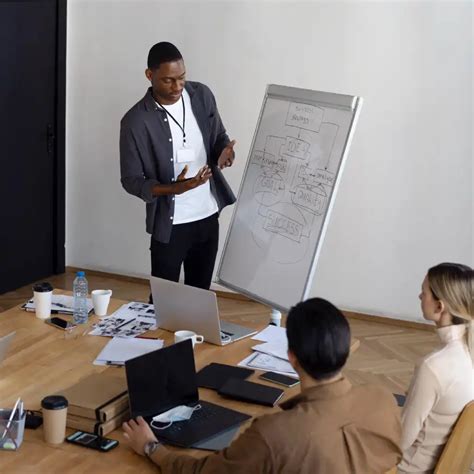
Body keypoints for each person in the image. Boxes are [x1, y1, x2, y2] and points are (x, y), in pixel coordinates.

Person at [123, 298, 402, 473]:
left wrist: (151, 448)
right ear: (346, 350)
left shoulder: (275, 434)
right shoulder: (383, 400)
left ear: (291, 357)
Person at [120, 42, 236, 292]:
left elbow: (218, 137)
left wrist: (225, 152)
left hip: (207, 216)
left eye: (182, 78)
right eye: (168, 80)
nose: (177, 86)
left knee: (199, 296)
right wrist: (174, 189)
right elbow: (131, 180)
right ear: (149, 75)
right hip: (170, 225)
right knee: (164, 301)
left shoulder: (201, 95)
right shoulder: (135, 121)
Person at [398, 262, 474, 474]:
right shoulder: (467, 353)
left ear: (440, 307)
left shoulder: (433, 366)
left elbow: (401, 440)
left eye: (424, 292)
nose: (419, 296)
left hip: (410, 469)